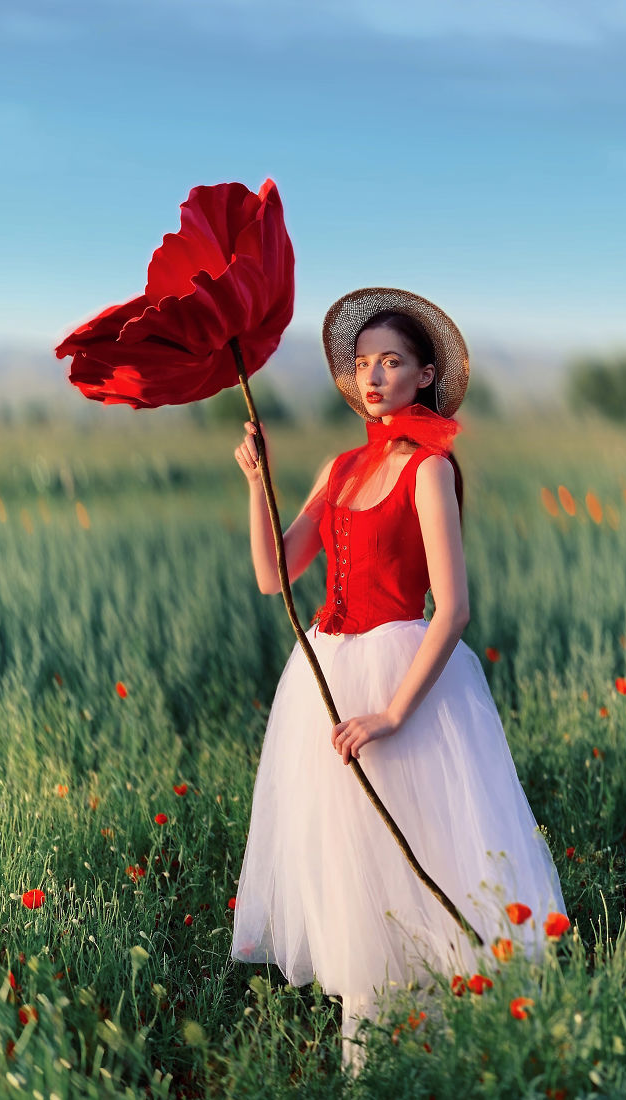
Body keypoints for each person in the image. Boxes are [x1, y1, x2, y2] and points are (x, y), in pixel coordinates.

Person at [230, 287, 566, 1068]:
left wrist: (391, 713)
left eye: (392, 362)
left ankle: (446, 1053)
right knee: (352, 869)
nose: (374, 376)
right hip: (328, 675)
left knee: (421, 862)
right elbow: (274, 577)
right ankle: (368, 1061)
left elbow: (452, 611)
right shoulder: (341, 467)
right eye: (363, 364)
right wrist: (257, 482)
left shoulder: (430, 470)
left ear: (424, 376)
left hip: (402, 681)